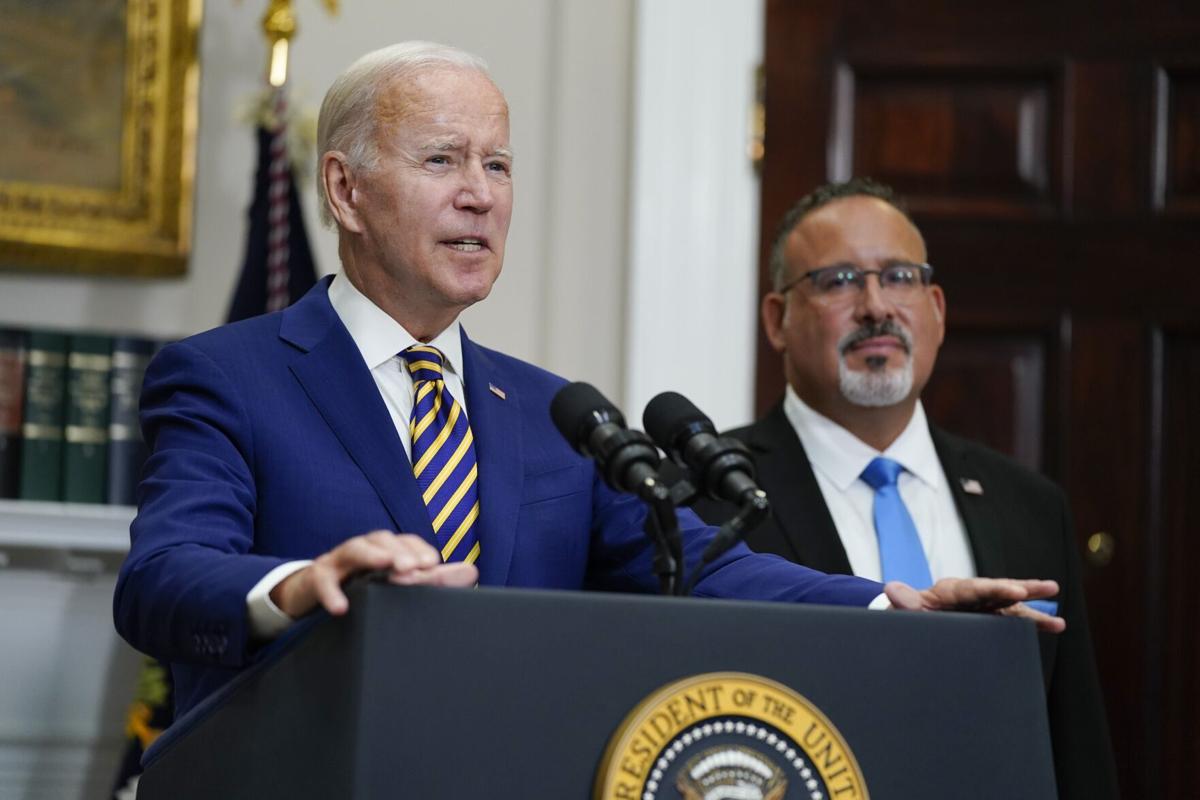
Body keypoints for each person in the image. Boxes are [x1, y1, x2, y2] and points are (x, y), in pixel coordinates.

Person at [113, 45, 1062, 722]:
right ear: (345, 190)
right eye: (441, 160)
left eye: (497, 164)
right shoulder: (226, 377)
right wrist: (298, 586)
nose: (480, 193)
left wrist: (890, 603)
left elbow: (700, 564)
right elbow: (161, 580)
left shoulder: (549, 412)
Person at [690, 178, 1117, 800]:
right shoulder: (706, 495)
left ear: (937, 310)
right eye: (838, 280)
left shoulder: (1028, 504)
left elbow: (1074, 747)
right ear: (777, 321)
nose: (875, 306)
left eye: (900, 277)